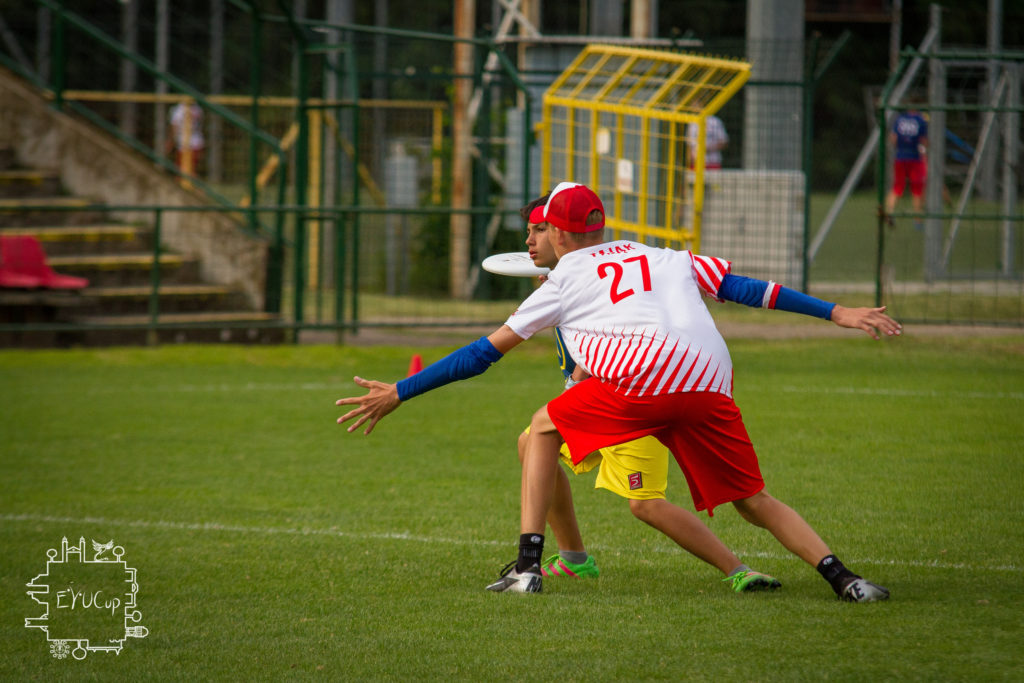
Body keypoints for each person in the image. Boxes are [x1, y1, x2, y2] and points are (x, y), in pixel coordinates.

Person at [336, 182, 901, 602]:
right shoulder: (665, 255)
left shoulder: (565, 278)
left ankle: (528, 566)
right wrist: (837, 311)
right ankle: (844, 579)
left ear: (556, 232)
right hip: (709, 381)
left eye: (540, 228)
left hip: (642, 381)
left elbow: (482, 355)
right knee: (753, 500)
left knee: (540, 428)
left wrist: (401, 391)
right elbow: (749, 288)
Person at [516, 195, 780, 593]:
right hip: (592, 405)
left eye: (540, 230)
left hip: (630, 404)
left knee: (646, 504)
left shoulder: (597, 279)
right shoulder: (567, 281)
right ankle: (574, 559)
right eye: (531, 231)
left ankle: (738, 570)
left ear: (562, 234)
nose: (531, 240)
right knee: (532, 441)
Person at [885, 108, 928, 228]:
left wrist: (900, 148)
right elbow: (924, 141)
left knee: (897, 187)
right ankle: (917, 220)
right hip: (915, 158)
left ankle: (889, 212)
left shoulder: (900, 119)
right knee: (917, 189)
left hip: (900, 157)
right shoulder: (920, 120)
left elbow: (893, 138)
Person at [166, 100, 205, 174]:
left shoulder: (178, 110)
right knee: (186, 169)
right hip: (188, 142)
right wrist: (171, 141)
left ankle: (186, 183)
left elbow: (174, 127)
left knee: (186, 169)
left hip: (190, 142)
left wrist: (171, 141)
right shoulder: (196, 109)